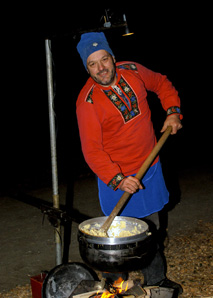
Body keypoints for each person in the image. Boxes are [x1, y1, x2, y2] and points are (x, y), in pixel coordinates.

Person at [76, 32, 183, 294]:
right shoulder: (87, 102)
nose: (101, 68)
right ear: (86, 67)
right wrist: (118, 179)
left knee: (150, 231)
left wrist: (172, 111)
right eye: (93, 64)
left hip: (150, 165)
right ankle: (113, 287)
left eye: (104, 59)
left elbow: (161, 83)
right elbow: (92, 151)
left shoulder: (133, 71)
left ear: (112, 57)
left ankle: (157, 281)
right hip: (117, 177)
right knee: (115, 239)